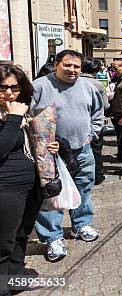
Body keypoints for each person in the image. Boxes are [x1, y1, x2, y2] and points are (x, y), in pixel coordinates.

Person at [32, 50, 104, 262]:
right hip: (49, 154)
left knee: (84, 187)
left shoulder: (88, 87)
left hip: (81, 149)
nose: (72, 70)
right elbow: (27, 115)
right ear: (57, 64)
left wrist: (91, 136)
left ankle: (80, 225)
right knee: (51, 195)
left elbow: (97, 114)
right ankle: (52, 236)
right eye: (67, 65)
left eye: (76, 66)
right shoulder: (39, 86)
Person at [0, 65, 59, 295]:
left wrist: (51, 143)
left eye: (14, 87)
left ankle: (14, 280)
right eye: (3, 87)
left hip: (29, 185)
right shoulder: (14, 114)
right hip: (5, 189)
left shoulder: (21, 111)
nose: (9, 93)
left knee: (21, 236)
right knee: (3, 243)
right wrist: (14, 117)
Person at [81, 58, 110, 185]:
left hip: (76, 123)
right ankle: (98, 175)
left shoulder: (73, 81)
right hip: (94, 122)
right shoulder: (97, 84)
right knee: (96, 150)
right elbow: (105, 105)